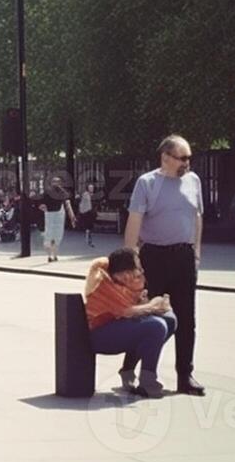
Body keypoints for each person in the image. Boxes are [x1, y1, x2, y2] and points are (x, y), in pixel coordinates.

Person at [124, 135, 205, 396]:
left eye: (189, 157)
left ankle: (185, 375)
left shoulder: (193, 181)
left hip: (183, 256)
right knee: (147, 317)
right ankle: (133, 368)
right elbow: (134, 222)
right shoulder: (147, 183)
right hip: (154, 257)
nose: (187, 163)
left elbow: (196, 217)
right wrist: (130, 261)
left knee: (186, 319)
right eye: (182, 158)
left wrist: (196, 253)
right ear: (165, 158)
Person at [84, 247, 178, 398]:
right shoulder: (104, 284)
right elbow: (127, 311)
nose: (140, 272)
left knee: (169, 319)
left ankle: (128, 370)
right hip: (100, 335)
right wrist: (154, 306)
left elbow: (136, 308)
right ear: (124, 274)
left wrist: (152, 304)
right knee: (156, 326)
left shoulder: (127, 282)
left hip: (119, 327)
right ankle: (148, 381)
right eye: (137, 268)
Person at [40, 178, 76, 262]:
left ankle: (49, 256)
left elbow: (41, 205)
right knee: (57, 237)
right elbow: (67, 204)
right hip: (59, 215)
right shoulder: (62, 192)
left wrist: (44, 210)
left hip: (49, 216)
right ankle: (55, 255)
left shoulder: (47, 192)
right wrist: (72, 217)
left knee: (49, 236)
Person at [79, 182, 98, 247]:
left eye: (92, 188)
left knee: (90, 227)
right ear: (87, 188)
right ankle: (89, 239)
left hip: (92, 212)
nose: (91, 189)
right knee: (88, 226)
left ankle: (89, 238)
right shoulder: (85, 194)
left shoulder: (93, 195)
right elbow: (83, 202)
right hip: (86, 212)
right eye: (90, 188)